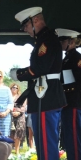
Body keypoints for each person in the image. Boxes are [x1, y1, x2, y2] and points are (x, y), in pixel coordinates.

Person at [9, 7, 67, 160]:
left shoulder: (46, 40)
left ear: (35, 20)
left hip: (45, 97)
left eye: (26, 26)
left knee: (46, 144)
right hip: (45, 96)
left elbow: (40, 68)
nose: (25, 30)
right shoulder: (44, 39)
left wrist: (18, 74)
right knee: (43, 143)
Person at [56, 28, 81, 160]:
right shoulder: (66, 59)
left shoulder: (77, 58)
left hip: (74, 103)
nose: (60, 43)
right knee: (68, 139)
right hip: (66, 103)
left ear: (71, 41)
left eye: (62, 40)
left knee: (74, 139)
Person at [9, 83, 26, 156]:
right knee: (10, 134)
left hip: (19, 117)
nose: (14, 89)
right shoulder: (8, 97)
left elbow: (24, 107)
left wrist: (18, 112)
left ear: (18, 89)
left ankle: (17, 151)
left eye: (16, 88)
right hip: (10, 116)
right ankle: (9, 151)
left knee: (18, 134)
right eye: (13, 87)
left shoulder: (21, 97)